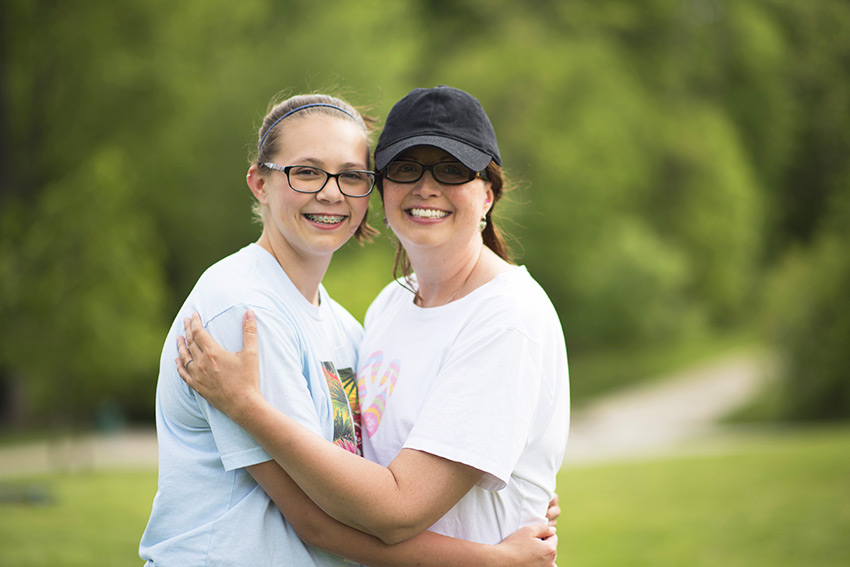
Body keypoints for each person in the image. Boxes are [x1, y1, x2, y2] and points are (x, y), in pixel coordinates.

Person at [140, 92, 558, 567]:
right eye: (307, 171)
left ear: (488, 193)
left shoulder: (348, 326)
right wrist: (493, 558)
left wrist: (514, 493)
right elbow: (318, 518)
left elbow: (369, 478)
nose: (331, 192)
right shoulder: (243, 310)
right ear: (259, 183)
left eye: (351, 175)